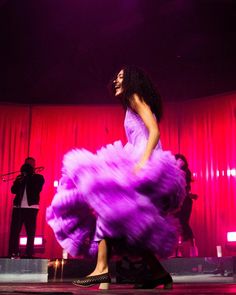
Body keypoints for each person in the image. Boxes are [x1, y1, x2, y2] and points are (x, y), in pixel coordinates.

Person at [46, 66, 186, 289]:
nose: (116, 81)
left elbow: (154, 131)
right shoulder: (130, 104)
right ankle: (159, 274)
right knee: (127, 221)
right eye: (117, 77)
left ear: (132, 80)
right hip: (138, 157)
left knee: (109, 209)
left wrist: (142, 162)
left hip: (146, 162)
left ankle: (102, 270)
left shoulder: (135, 96)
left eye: (122, 77)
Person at [8, 157, 45, 258]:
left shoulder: (38, 177)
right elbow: (13, 190)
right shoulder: (20, 177)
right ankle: (13, 252)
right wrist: (21, 179)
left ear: (34, 165)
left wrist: (28, 176)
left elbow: (37, 189)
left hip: (31, 208)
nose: (28, 166)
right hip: (18, 207)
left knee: (30, 231)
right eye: (26, 164)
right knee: (14, 231)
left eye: (30, 164)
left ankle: (29, 253)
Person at [174, 154, 198, 257]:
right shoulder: (173, 172)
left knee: (184, 222)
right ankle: (177, 250)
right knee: (176, 225)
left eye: (181, 161)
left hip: (185, 202)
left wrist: (189, 195)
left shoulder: (186, 172)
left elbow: (185, 187)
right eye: (178, 161)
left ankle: (193, 246)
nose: (180, 162)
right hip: (176, 202)